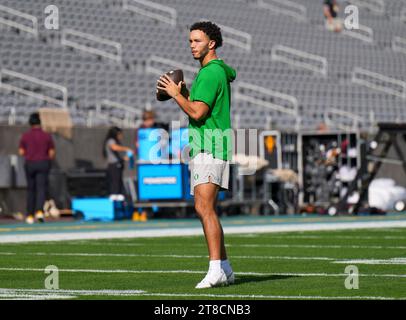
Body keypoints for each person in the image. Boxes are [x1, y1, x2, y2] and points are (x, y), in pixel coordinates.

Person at [157, 21, 236, 289]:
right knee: (206, 208)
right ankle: (224, 268)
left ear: (211, 43)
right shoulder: (212, 71)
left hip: (210, 146)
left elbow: (197, 113)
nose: (192, 45)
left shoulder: (210, 73)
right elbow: (200, 106)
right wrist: (185, 94)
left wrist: (175, 94)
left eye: (197, 41)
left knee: (204, 208)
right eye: (190, 40)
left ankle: (215, 269)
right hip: (212, 144)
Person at [19, 112, 55, 224]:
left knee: (31, 189)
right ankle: (39, 211)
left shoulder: (25, 136)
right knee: (41, 189)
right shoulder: (46, 135)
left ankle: (29, 215)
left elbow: (21, 152)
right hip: (43, 163)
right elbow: (51, 152)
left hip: (30, 163)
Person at [102, 127, 133, 196]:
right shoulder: (111, 141)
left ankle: (118, 198)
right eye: (120, 134)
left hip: (118, 165)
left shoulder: (117, 142)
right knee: (114, 184)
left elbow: (117, 155)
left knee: (119, 184)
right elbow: (114, 148)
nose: (121, 136)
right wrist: (126, 148)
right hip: (113, 166)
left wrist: (124, 158)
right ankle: (114, 198)